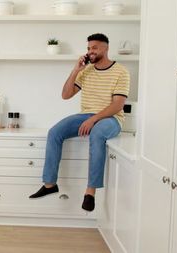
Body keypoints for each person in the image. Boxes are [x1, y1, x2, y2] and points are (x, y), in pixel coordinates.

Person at [29, 33, 130, 212]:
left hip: (112, 118)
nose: (91, 52)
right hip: (87, 115)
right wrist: (76, 69)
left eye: (95, 48)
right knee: (54, 132)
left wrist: (93, 119)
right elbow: (66, 95)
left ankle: (90, 192)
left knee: (98, 133)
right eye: (89, 48)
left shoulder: (121, 71)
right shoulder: (86, 71)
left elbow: (117, 105)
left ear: (106, 48)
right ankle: (50, 184)